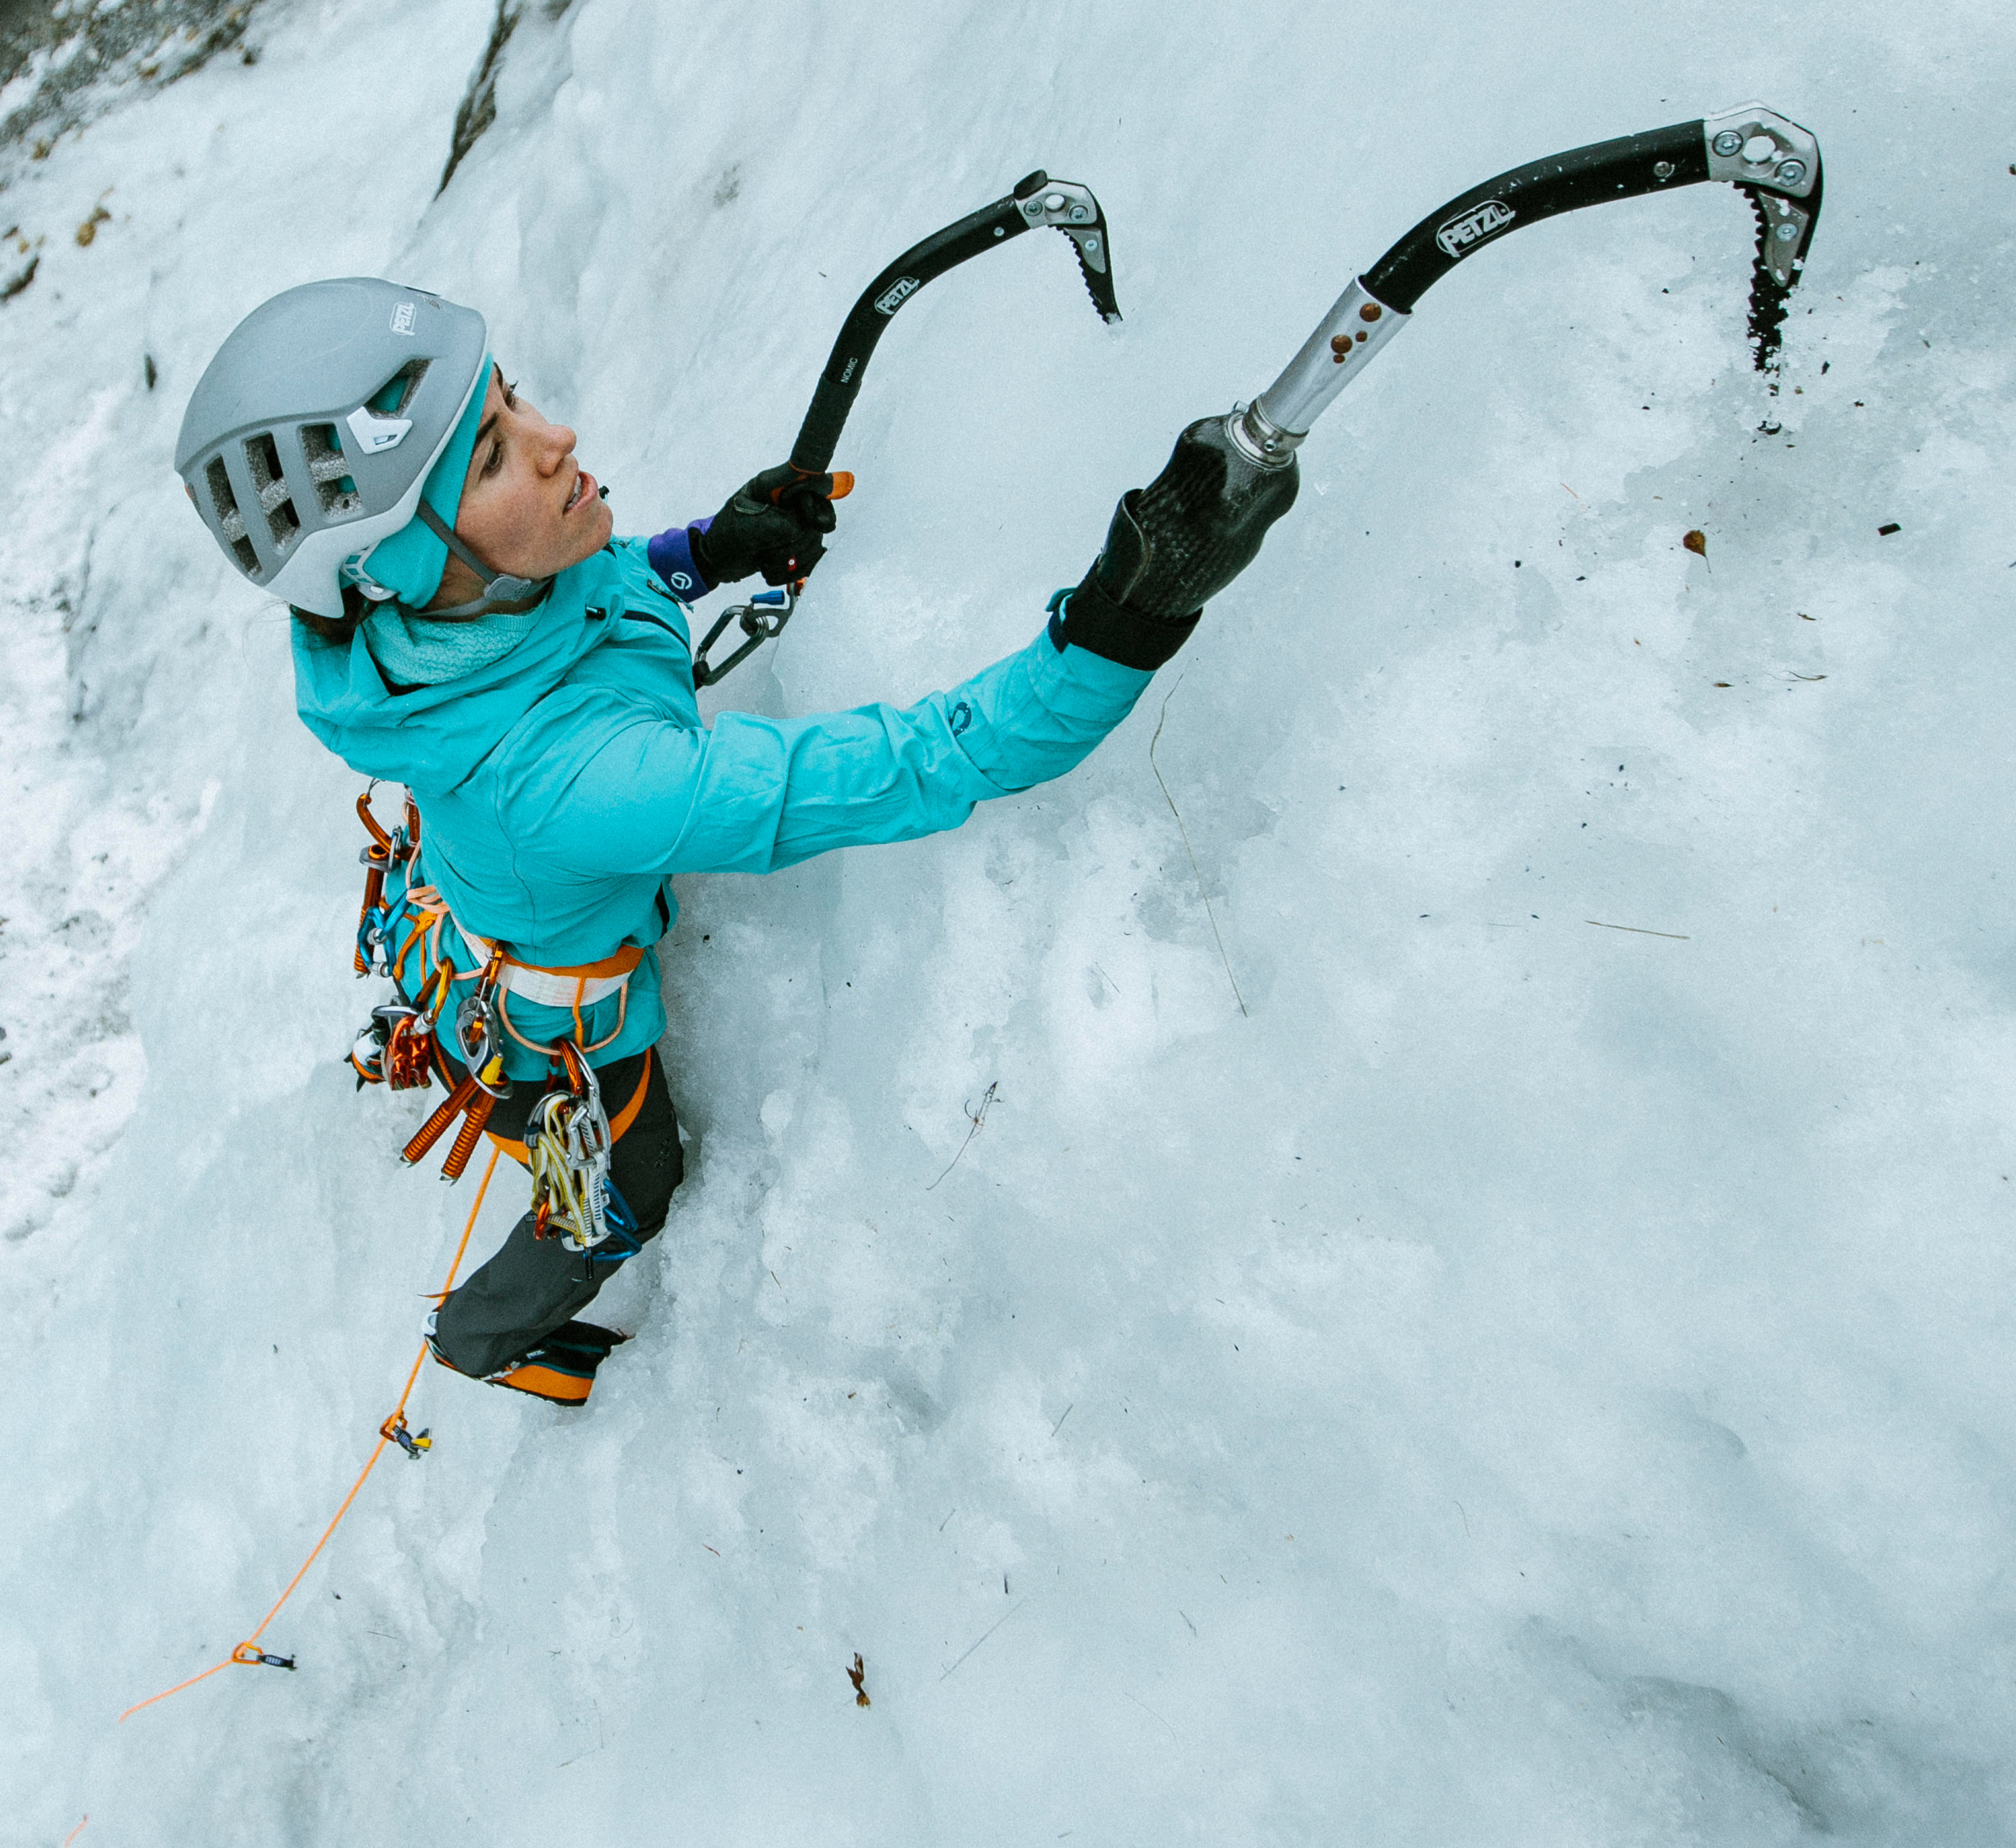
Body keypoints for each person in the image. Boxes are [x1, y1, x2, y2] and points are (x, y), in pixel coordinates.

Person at [177, 277, 1294, 1404]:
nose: (557, 439)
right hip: (556, 1020)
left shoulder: (475, 611)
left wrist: (707, 550)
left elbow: (599, 602)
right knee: (633, 1183)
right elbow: (922, 762)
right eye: (492, 460)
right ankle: (481, 1339)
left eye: (512, 404)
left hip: (484, 888)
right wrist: (1126, 620)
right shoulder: (595, 783)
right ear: (403, 570)